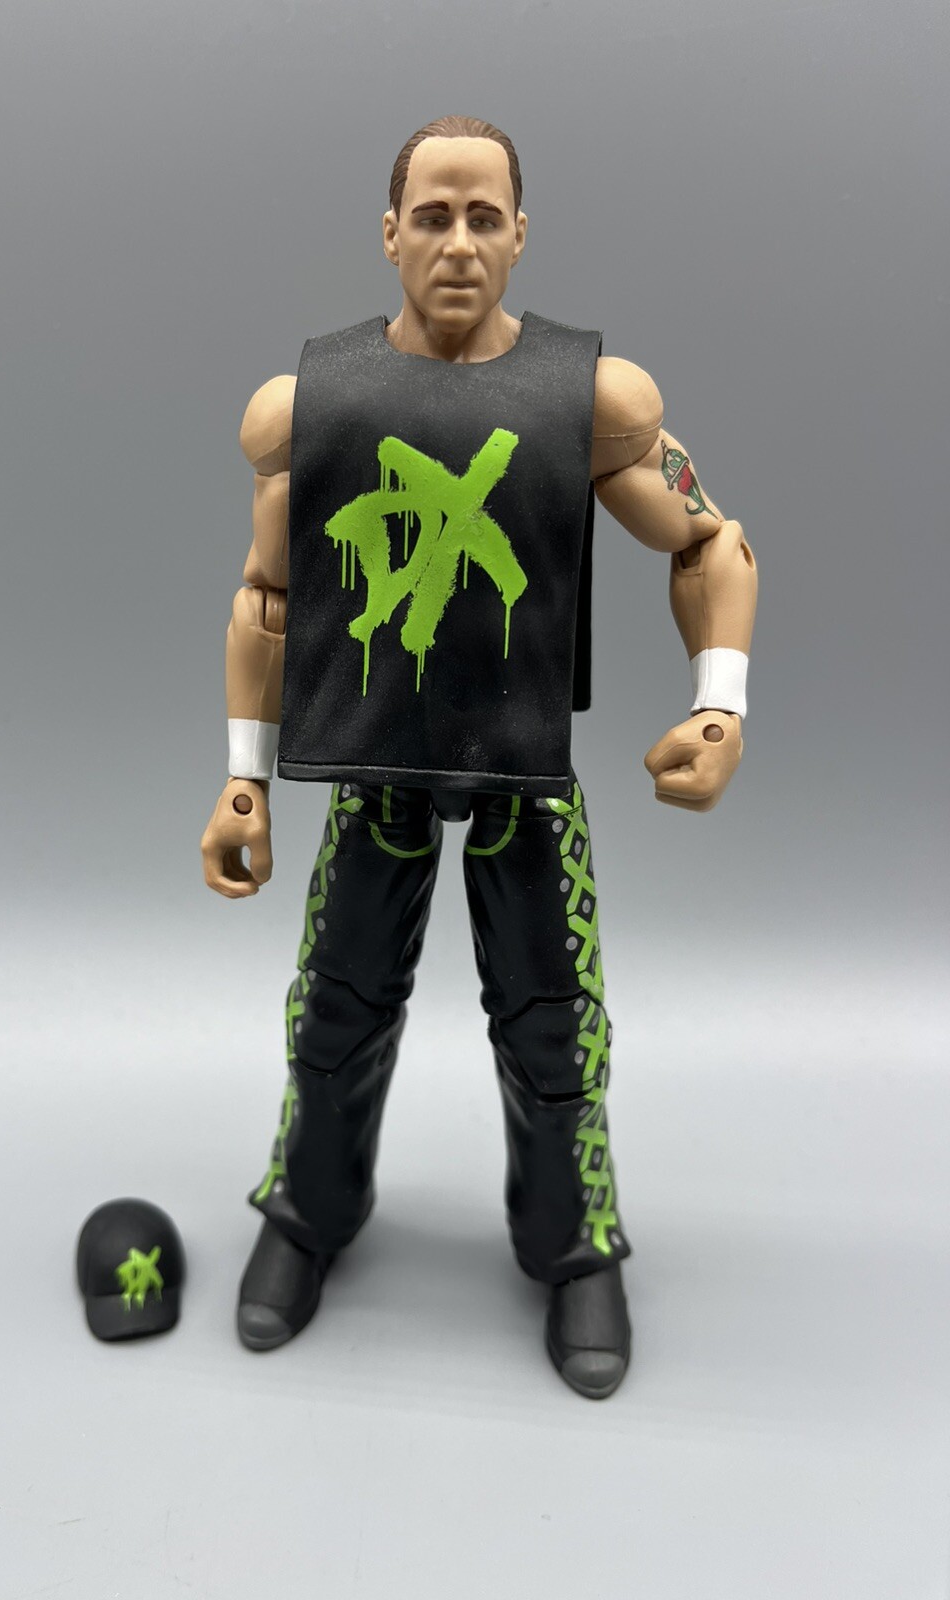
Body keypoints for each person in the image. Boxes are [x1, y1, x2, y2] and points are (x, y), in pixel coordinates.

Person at [200, 116, 757, 1399]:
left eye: (484, 216)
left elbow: (709, 542)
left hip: (520, 767)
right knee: (334, 1013)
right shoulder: (309, 410)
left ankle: (575, 1244)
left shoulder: (592, 401)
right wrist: (242, 774)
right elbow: (267, 602)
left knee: (556, 1029)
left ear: (520, 236)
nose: (458, 242)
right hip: (377, 761)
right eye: (434, 216)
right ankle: (308, 1210)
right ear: (389, 233)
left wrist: (719, 703)